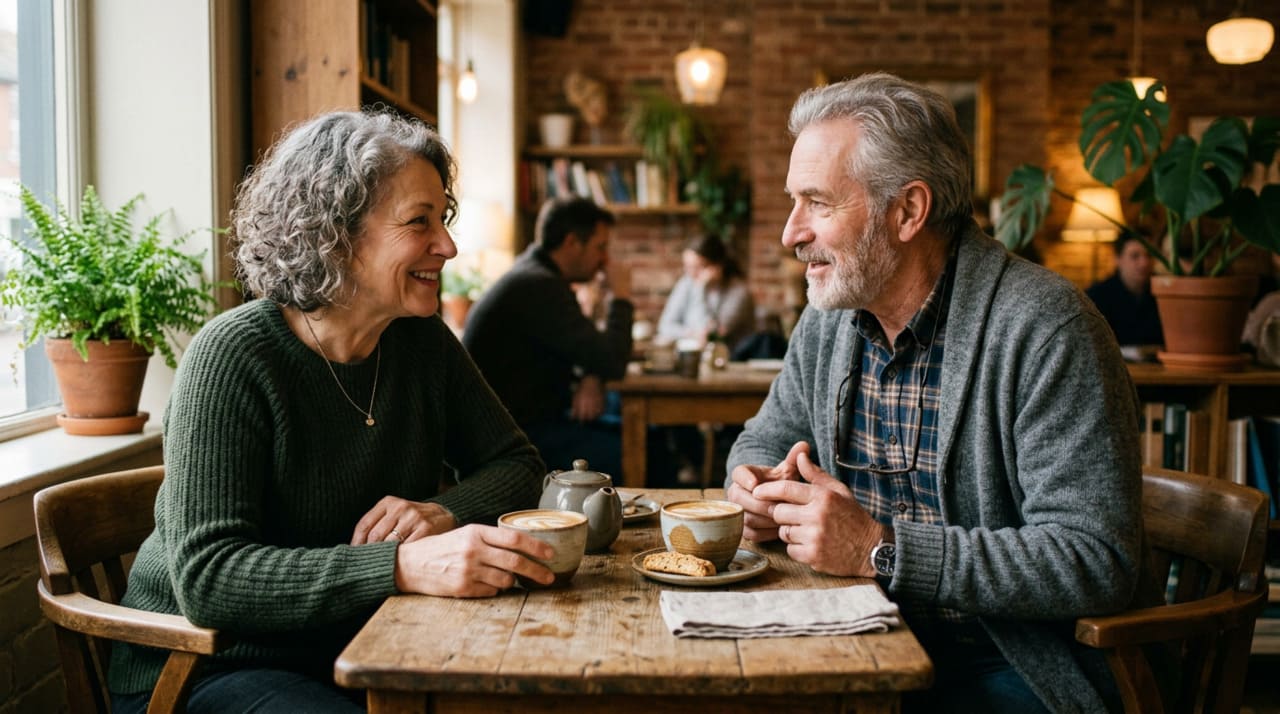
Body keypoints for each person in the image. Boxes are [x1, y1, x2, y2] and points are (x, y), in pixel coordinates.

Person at [108, 111, 556, 714]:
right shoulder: (233, 356)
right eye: (418, 222)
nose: (447, 245)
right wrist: (395, 565)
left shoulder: (420, 341)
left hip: (361, 644)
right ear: (335, 235)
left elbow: (518, 464)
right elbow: (210, 579)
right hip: (204, 668)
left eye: (442, 219)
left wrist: (441, 514)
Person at [725, 73, 1146, 713]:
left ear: (908, 212)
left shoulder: (1045, 328)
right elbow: (764, 437)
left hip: (1010, 658)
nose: (790, 233)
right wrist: (753, 487)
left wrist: (878, 549)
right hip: (863, 631)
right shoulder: (830, 316)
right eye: (794, 201)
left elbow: (1094, 559)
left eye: (818, 202)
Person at [464, 197, 633, 479]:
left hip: (528, 422)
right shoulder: (540, 286)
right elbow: (613, 360)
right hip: (513, 440)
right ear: (571, 243)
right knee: (643, 446)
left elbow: (589, 350)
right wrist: (621, 297)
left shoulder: (534, 274)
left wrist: (591, 375)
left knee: (638, 430)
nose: (605, 260)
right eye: (600, 248)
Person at [657, 234, 756, 352]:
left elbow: (712, 335)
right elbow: (665, 326)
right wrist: (693, 333)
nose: (691, 273)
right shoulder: (686, 283)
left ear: (718, 266)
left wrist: (700, 288)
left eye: (697, 267)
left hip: (729, 361)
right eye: (687, 267)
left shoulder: (739, 292)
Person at [1085, 231, 1163, 347]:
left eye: (1149, 255)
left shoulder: (1165, 293)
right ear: (1118, 259)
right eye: (1135, 256)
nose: (1144, 263)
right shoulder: (1097, 295)